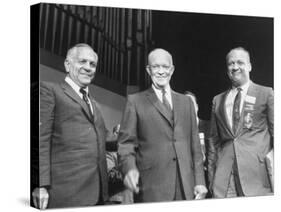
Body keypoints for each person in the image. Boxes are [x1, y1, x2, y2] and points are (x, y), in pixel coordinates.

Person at [117, 48, 207, 203]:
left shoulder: (186, 103)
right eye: (155, 67)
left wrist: (200, 181)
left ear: (171, 70)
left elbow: (195, 148)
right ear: (148, 69)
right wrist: (129, 169)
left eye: (165, 67)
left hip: (186, 186)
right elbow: (126, 144)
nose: (160, 71)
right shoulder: (135, 101)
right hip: (151, 187)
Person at [32, 43, 109, 209]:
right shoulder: (49, 91)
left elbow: (103, 138)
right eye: (82, 62)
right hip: (65, 194)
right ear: (68, 65)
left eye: (93, 64)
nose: (88, 68)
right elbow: (40, 140)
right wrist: (40, 184)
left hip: (98, 194)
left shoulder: (96, 105)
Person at [207, 47, 274, 198]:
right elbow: (213, 141)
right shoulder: (217, 100)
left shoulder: (266, 93)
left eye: (240, 62)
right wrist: (212, 177)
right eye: (231, 64)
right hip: (225, 179)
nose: (235, 67)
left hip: (257, 176)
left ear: (249, 66)